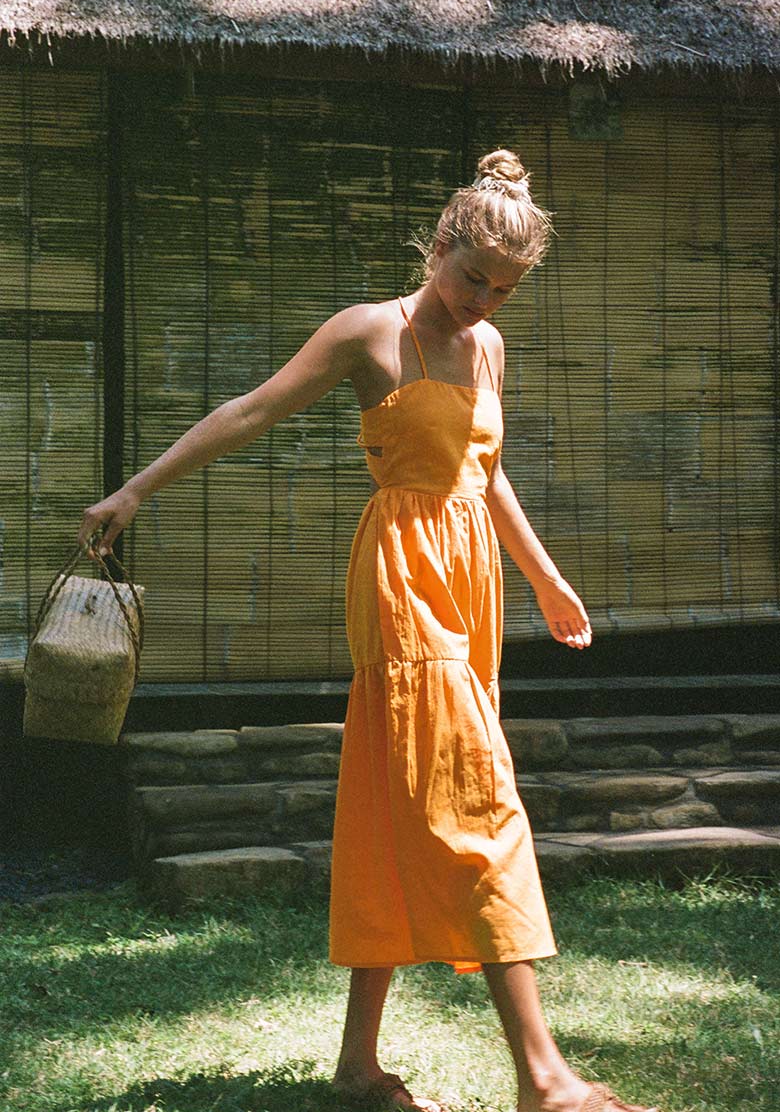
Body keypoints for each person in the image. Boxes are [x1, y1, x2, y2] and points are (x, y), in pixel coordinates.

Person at [78, 150, 657, 1112]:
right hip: (400, 582)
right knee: (475, 801)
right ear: (439, 246)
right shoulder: (368, 334)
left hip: (471, 590)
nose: (483, 300)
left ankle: (356, 1068)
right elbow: (250, 410)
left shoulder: (490, 350)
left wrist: (548, 581)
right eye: (474, 276)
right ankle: (546, 1080)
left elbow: (489, 471)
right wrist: (137, 489)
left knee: (399, 800)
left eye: (504, 289)